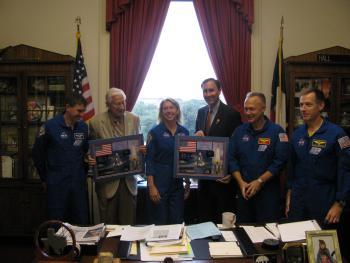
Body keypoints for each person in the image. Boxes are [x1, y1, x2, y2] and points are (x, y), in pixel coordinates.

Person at [286, 87, 350, 226]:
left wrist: (340, 203)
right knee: (296, 241)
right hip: (299, 199)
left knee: (321, 244)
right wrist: (289, 195)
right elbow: (292, 168)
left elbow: (345, 171)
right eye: (301, 104)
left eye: (308, 104)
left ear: (321, 106)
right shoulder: (297, 134)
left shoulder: (338, 134)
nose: (303, 109)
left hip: (324, 199)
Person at [228, 92, 290, 223]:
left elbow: (280, 162)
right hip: (244, 192)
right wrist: (241, 183)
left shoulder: (277, 132)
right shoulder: (239, 131)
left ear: (263, 108)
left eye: (252, 109)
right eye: (246, 109)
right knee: (244, 232)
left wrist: (260, 181)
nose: (248, 112)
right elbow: (231, 159)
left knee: (268, 233)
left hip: (268, 194)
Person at [32, 95, 89, 224]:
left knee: (80, 218)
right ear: (68, 107)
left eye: (83, 111)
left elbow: (86, 151)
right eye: (79, 111)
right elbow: (37, 154)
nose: (81, 114)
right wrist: (44, 178)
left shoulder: (83, 127)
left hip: (77, 182)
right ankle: (57, 245)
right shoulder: (50, 126)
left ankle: (78, 245)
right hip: (57, 182)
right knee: (57, 219)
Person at [89, 88, 140, 224]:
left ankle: (126, 246)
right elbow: (90, 149)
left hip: (129, 181)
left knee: (128, 225)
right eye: (117, 104)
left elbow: (137, 145)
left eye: (123, 103)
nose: (122, 107)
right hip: (108, 183)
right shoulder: (95, 122)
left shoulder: (134, 119)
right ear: (108, 104)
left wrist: (141, 150)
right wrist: (90, 158)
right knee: (109, 226)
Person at [195, 78, 241, 223]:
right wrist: (196, 137)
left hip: (223, 180)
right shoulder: (201, 112)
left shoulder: (232, 114)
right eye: (205, 91)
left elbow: (237, 147)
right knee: (205, 220)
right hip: (204, 179)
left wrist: (231, 173)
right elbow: (198, 145)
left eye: (211, 90)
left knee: (222, 224)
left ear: (219, 91)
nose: (208, 94)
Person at [146, 98, 190, 225]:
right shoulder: (154, 132)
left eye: (171, 108)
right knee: (160, 222)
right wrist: (151, 186)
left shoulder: (184, 132)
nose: (169, 111)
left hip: (177, 185)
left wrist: (187, 183)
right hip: (159, 184)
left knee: (177, 222)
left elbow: (187, 161)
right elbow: (149, 161)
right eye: (165, 108)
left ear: (177, 110)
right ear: (161, 112)